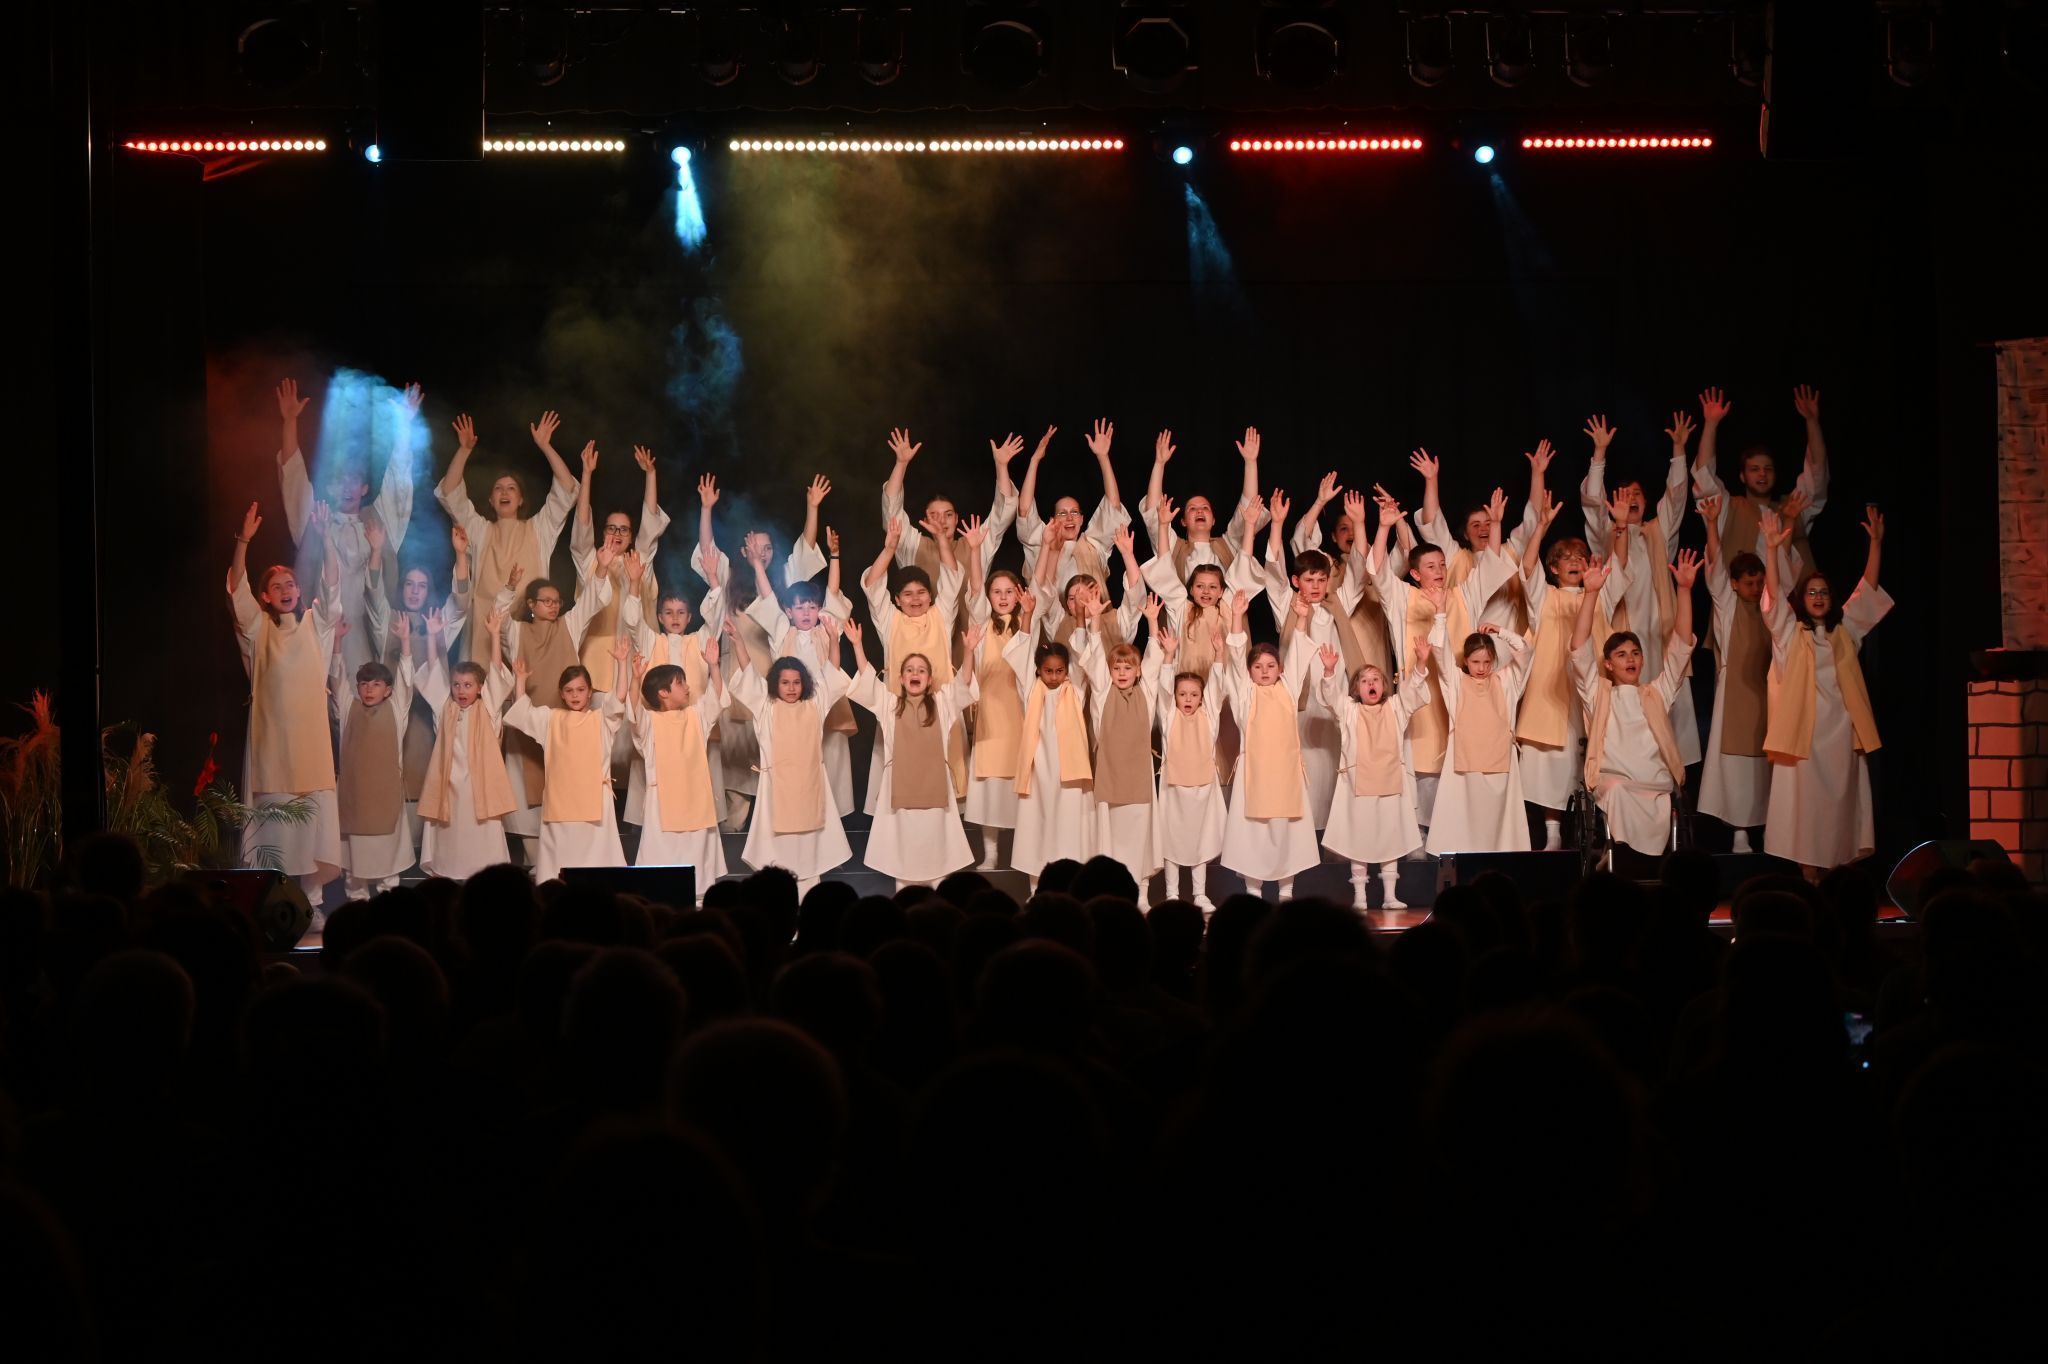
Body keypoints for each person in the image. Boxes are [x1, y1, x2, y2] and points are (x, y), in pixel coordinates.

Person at [1367, 483, 1517, 833]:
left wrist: (1495, 525)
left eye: (1442, 564)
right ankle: (1421, 834)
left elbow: (1492, 567)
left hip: (1464, 696)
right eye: (1430, 566)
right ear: (1416, 573)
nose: (1438, 570)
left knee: (1462, 760)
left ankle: (1461, 836)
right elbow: (1376, 570)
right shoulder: (1403, 597)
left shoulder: (1464, 595)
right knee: (1424, 767)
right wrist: (1385, 526)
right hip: (1421, 695)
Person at [1262, 488, 1404, 830]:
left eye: (1321, 579)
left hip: (1337, 694)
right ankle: (1305, 830)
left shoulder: (1337, 602)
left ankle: (1340, 831)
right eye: (1309, 580)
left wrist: (1360, 523)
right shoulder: (1287, 604)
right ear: (1297, 581)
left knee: (1340, 760)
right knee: (1306, 765)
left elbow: (1358, 567)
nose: (1316, 586)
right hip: (1301, 701)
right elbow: (1273, 567)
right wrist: (1277, 524)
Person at [1761, 505, 1891, 879]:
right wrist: (1771, 551)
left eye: (1824, 592)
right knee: (1807, 808)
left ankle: (1839, 878)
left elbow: (1866, 591)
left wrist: (1876, 545)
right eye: (1811, 592)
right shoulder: (1790, 634)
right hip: (1804, 734)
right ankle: (1810, 877)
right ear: (1802, 599)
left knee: (1840, 806)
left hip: (1840, 732)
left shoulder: (1844, 633)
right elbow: (1772, 599)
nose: (1818, 597)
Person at [227, 500, 343, 910]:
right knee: (275, 833)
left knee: (312, 828)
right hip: (274, 751)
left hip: (310, 750)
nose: (286, 590)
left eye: (291, 584)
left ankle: (311, 901)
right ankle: (271, 904)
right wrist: (243, 540)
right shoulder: (257, 632)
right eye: (276, 587)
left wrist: (327, 538)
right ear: (265, 596)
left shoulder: (315, 625)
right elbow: (236, 589)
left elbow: (333, 587)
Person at [274, 377, 421, 674]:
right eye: (340, 479)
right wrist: (290, 422)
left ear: (365, 486)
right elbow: (294, 480)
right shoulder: (317, 518)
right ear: (329, 484)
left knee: (363, 692)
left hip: (365, 627)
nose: (347, 486)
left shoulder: (376, 519)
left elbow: (398, 481)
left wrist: (405, 425)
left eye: (354, 479)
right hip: (321, 626)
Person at [1580, 410, 1701, 768]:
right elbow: (1590, 501)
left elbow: (1677, 499)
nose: (1631, 499)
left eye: (1638, 495)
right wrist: (1599, 455)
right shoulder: (1605, 534)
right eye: (1625, 494)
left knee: (1667, 705)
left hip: (1658, 638)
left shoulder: (1657, 533)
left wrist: (1679, 449)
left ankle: (1671, 780)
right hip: (1622, 639)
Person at [1571, 551, 1701, 861]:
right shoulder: (1598, 693)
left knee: (1658, 797)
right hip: (1613, 780)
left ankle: (1638, 858)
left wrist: (1683, 590)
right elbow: (1579, 648)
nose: (1630, 659)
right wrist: (1591, 594)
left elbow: (1680, 649)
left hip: (1654, 779)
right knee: (1616, 790)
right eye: (1621, 654)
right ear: (1609, 664)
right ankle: (1621, 854)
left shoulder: (1654, 693)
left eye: (1635, 653)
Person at [493, 547, 617, 863]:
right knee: (528, 793)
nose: (553, 606)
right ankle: (540, 862)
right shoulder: (518, 631)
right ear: (531, 605)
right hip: (532, 721)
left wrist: (601, 569)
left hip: (570, 728)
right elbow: (499, 618)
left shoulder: (569, 625)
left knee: (570, 790)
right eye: (545, 601)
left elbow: (590, 602)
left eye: (556, 601)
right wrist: (509, 587)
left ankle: (576, 860)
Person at [846, 620, 985, 890]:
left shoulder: (943, 702)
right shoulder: (889, 705)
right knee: (904, 850)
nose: (915, 673)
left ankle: (935, 903)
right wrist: (857, 645)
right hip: (900, 790)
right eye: (909, 669)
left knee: (936, 849)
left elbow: (964, 683)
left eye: (921, 670)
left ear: (930, 678)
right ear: (900, 677)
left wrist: (968, 652)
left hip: (934, 789)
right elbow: (867, 681)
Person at [437, 408, 581, 664]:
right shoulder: (480, 531)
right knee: (482, 693)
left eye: (511, 488)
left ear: (521, 499)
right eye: (498, 488)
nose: (505, 492)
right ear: (491, 500)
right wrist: (464, 450)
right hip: (484, 628)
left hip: (527, 628)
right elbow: (451, 493)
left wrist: (546, 447)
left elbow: (567, 489)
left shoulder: (539, 529)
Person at [1515, 483, 1613, 851]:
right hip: (1553, 689)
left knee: (1592, 755)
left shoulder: (1599, 595)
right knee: (1552, 761)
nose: (1575, 560)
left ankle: (1599, 831)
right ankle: (1553, 831)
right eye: (1566, 557)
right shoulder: (1547, 596)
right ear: (1554, 567)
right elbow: (1526, 568)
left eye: (1581, 555)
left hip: (1590, 688)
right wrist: (1540, 527)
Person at [725, 620, 856, 895]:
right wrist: (738, 641)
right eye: (785, 682)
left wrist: (834, 640)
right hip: (777, 790)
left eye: (797, 682)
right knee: (779, 848)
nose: (791, 688)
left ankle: (808, 895)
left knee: (810, 844)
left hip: (810, 786)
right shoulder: (765, 705)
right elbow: (748, 672)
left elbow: (831, 673)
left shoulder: (815, 703)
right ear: (775, 684)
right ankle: (780, 895)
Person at [367, 522, 472, 851]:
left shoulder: (438, 622)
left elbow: (462, 603)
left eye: (422, 586)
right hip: (390, 718)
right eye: (410, 584)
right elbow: (372, 594)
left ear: (429, 591)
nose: (415, 591)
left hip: (427, 720)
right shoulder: (389, 620)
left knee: (425, 782)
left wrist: (460, 554)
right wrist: (374, 552)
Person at [878, 426, 1022, 659]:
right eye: (933, 515)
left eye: (947, 514)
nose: (941, 521)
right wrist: (901, 464)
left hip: (970, 648)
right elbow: (891, 511)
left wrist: (1002, 467)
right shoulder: (915, 546)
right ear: (924, 520)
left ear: (956, 519)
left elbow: (1002, 513)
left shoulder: (973, 544)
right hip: (922, 648)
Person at [502, 637, 633, 883]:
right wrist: (520, 680)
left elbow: (619, 697)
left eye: (581, 690)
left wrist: (622, 663)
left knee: (598, 857)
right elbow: (523, 712)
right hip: (560, 799)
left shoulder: (602, 719)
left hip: (594, 800)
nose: (575, 695)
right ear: (562, 694)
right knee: (560, 858)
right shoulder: (551, 719)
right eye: (569, 690)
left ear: (590, 692)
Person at [747, 527, 856, 817]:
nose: (806, 612)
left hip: (827, 708)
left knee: (832, 768)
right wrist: (758, 563)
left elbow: (833, 594)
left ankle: (834, 833)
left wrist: (834, 555)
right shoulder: (782, 632)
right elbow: (768, 596)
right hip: (791, 712)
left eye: (811, 606)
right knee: (797, 772)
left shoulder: (825, 630)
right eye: (800, 607)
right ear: (788, 611)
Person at [1218, 592, 1320, 901]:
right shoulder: (1245, 694)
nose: (1264, 671)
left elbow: (1300, 657)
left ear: (1280, 669)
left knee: (1287, 830)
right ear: (1250, 672)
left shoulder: (1288, 689)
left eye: (1271, 665)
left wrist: (1302, 617)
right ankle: (1253, 890)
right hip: (1255, 775)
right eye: (1258, 666)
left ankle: (1287, 890)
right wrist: (1236, 618)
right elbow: (1235, 659)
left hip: (1286, 773)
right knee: (1254, 832)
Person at [863, 512, 969, 809]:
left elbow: (951, 576)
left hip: (940, 708)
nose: (915, 599)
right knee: (902, 778)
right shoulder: (890, 620)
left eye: (921, 592)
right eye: (907, 594)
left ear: (931, 596)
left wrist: (942, 541)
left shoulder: (941, 615)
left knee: (941, 781)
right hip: (900, 708)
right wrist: (889, 549)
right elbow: (872, 586)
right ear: (897, 599)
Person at [621, 547, 731, 830]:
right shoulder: (651, 641)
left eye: (681, 612)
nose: (675, 618)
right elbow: (633, 623)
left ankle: (703, 821)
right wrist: (634, 582)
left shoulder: (698, 640)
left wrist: (713, 579)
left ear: (689, 616)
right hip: (658, 726)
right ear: (659, 617)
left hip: (694, 724)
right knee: (654, 779)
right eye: (668, 612)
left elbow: (716, 619)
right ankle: (647, 822)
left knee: (698, 777)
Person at [1318, 642, 1432, 911]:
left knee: (1389, 838)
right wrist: (1329, 671)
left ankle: (1390, 895)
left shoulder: (1395, 707)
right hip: (1358, 785)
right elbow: (1330, 695)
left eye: (1376, 680)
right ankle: (1360, 895)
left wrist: (1421, 664)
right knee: (1361, 840)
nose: (1371, 684)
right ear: (1356, 688)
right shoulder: (1349, 710)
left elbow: (1413, 690)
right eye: (1365, 680)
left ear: (1383, 686)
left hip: (1390, 783)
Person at [1074, 595, 1167, 908]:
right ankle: (1111, 892)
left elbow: (1154, 660)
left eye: (1129, 667)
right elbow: (1096, 657)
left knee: (1139, 836)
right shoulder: (1102, 692)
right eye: (1118, 668)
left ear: (1137, 671)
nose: (1123, 672)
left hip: (1138, 779)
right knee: (1110, 838)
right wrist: (1095, 619)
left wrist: (1153, 621)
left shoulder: (1147, 692)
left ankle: (1140, 893)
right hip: (1111, 777)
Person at [332, 615, 432, 900]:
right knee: (355, 863)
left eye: (375, 685)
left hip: (385, 795)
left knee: (388, 858)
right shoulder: (348, 708)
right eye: (363, 684)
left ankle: (389, 897)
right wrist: (337, 641)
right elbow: (337, 675)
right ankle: (357, 900)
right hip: (355, 797)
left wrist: (405, 641)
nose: (368, 689)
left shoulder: (396, 707)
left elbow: (406, 678)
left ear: (387, 690)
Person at [413, 611, 517, 880]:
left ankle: (486, 878)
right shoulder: (444, 708)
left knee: (482, 837)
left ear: (480, 688)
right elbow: (433, 674)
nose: (461, 690)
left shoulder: (489, 708)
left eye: (468, 685)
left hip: (478, 787)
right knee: (449, 837)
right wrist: (433, 637)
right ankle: (448, 878)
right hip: (448, 786)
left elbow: (496, 673)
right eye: (457, 685)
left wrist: (495, 635)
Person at [627, 633, 732, 900]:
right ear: (663, 692)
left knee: (697, 865)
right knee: (661, 865)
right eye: (680, 683)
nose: (687, 688)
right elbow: (633, 713)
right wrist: (635, 679)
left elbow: (717, 698)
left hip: (695, 799)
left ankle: (698, 901)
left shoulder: (695, 716)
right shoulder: (650, 722)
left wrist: (714, 666)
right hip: (662, 803)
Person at [1692, 384, 1829, 588]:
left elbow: (1817, 477)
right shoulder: (1731, 508)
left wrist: (1812, 422)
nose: (1762, 473)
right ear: (1742, 476)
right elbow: (1704, 478)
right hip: (1741, 613)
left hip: (1789, 611)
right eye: (1754, 469)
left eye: (1768, 469)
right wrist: (1711, 424)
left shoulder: (1791, 507)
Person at [1696, 493, 1773, 851]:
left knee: (1766, 759)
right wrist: (1712, 524)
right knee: (1738, 761)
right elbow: (1714, 570)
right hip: (1736, 694)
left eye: (1760, 583)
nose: (1755, 590)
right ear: (1737, 583)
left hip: (1766, 689)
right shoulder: (1728, 606)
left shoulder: (1770, 610)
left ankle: (1768, 827)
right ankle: (1740, 830)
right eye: (1749, 584)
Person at [569, 440, 668, 708]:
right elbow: (581, 524)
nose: (616, 534)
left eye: (623, 530)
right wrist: (586, 474)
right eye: (611, 528)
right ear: (602, 533)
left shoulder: (638, 562)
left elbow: (650, 523)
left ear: (631, 537)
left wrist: (650, 475)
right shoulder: (589, 561)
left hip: (636, 661)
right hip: (597, 664)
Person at [1425, 624, 1536, 855]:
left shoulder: (1506, 681)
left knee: (1495, 821)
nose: (1482, 668)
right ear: (1466, 660)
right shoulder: (1455, 681)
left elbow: (1524, 651)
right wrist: (1440, 612)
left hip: (1499, 762)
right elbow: (1440, 651)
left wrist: (1501, 632)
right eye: (1476, 662)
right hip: (1464, 764)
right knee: (1466, 819)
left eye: (1487, 662)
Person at [1408, 445, 1541, 632]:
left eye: (1488, 523)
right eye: (1476, 525)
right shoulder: (1455, 557)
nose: (1483, 529)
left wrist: (1538, 474)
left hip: (1507, 645)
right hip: (1465, 646)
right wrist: (1431, 480)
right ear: (1465, 534)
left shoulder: (1511, 552)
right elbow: (1433, 523)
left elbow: (1533, 521)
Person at [1006, 631, 1097, 892]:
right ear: (1038, 671)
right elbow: (1020, 658)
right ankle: (1035, 889)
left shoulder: (1075, 690)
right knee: (1037, 829)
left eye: (1059, 671)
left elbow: (1082, 656)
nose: (1055, 676)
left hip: (1069, 774)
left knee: (1069, 829)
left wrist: (1081, 617)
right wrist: (1026, 617)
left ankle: (1072, 888)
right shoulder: (1032, 690)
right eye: (1048, 671)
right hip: (1038, 772)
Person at [1151, 611, 1228, 911]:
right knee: (1172, 841)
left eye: (1193, 694)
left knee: (1200, 841)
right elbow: (1163, 689)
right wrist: (1169, 655)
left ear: (1200, 698)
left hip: (1202, 787)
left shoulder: (1209, 717)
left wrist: (1220, 654)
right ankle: (1172, 892)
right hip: (1174, 786)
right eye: (1182, 694)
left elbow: (1218, 688)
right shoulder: (1169, 716)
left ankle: (1199, 893)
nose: (1187, 698)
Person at [1015, 417, 1131, 592]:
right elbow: (1024, 510)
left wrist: (1103, 457)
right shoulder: (1042, 543)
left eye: (1074, 512)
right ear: (1052, 520)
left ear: (1082, 519)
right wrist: (1034, 461)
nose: (1069, 517)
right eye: (1062, 513)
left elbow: (1113, 507)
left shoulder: (1093, 546)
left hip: (1093, 617)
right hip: (1050, 619)